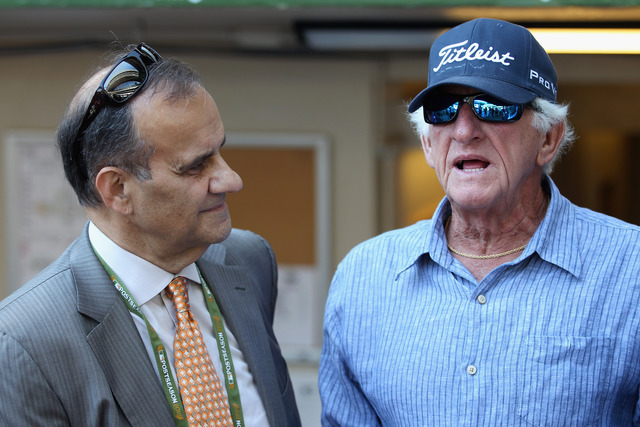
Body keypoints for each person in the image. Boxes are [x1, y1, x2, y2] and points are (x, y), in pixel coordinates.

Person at [319, 18, 640, 426]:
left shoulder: (631, 270)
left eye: (493, 106)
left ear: (548, 138)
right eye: (443, 110)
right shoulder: (362, 277)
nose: (465, 130)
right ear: (427, 144)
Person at [0, 43, 301, 426]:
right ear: (117, 190)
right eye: (195, 166)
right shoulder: (24, 343)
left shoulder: (249, 260)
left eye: (220, 153)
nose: (231, 179)